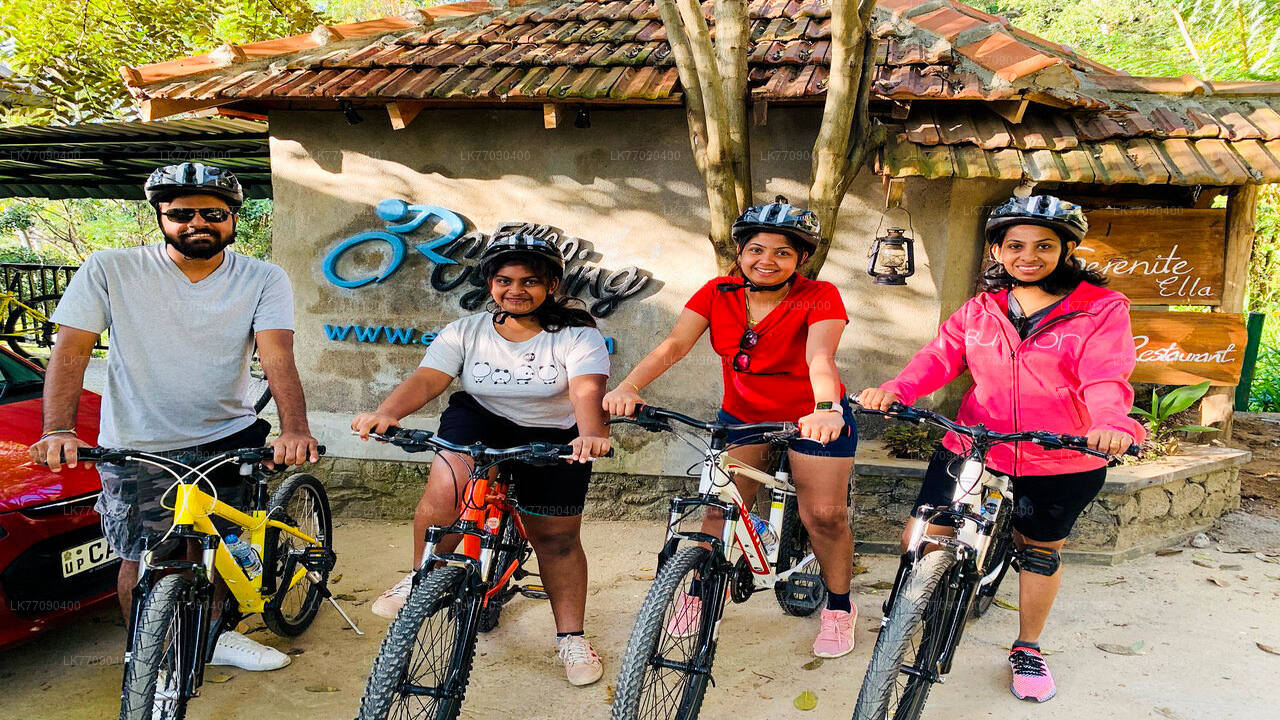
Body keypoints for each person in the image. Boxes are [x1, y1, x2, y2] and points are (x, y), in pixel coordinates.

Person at [27, 162, 320, 671]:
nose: (197, 223)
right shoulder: (110, 268)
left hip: (227, 436)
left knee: (217, 548)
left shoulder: (262, 277)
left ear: (233, 218)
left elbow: (277, 354)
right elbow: (71, 351)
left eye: (213, 213)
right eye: (182, 213)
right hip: (137, 442)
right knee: (142, 556)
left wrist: (295, 429)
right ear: (161, 217)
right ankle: (150, 660)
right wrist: (58, 429)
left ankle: (216, 637)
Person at [857, 194, 1145, 703]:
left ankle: (1028, 647)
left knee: (1040, 552)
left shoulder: (1100, 308)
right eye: (1015, 245)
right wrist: (898, 389)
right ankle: (907, 605)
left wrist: (1109, 422)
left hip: (1060, 454)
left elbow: (1105, 374)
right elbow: (940, 357)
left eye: (1044, 245)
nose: (1027, 256)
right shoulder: (981, 308)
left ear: (1067, 250)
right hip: (975, 443)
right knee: (927, 529)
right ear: (996, 250)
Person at [603, 196, 859, 658]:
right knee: (719, 508)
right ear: (740, 252)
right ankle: (700, 593)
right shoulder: (716, 292)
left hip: (814, 417)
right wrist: (629, 386)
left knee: (824, 516)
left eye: (783, 252)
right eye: (756, 249)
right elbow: (674, 346)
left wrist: (826, 408)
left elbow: (820, 357)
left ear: (801, 259)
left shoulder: (820, 296)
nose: (767, 260)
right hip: (743, 417)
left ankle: (840, 608)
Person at [351, 234, 612, 687]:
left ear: (551, 285)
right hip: (480, 419)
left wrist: (591, 434)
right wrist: (387, 412)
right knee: (448, 486)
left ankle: (571, 637)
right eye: (504, 280)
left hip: (554, 434)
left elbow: (586, 390)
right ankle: (421, 576)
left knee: (556, 538)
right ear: (490, 284)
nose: (516, 290)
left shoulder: (578, 336)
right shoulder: (466, 330)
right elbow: (428, 378)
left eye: (530, 281)